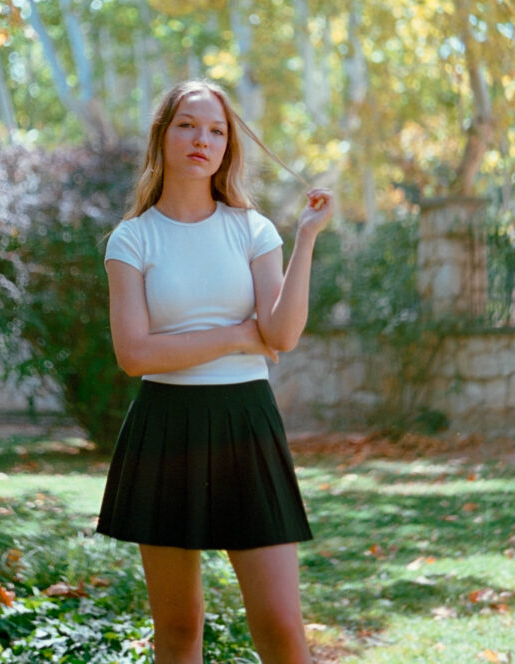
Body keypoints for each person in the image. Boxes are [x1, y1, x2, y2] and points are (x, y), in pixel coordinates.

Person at [96, 78, 333, 664]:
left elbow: (281, 335)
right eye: (187, 126)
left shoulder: (253, 229)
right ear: (162, 136)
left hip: (246, 423)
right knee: (178, 631)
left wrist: (305, 239)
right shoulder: (131, 239)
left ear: (228, 147)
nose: (202, 139)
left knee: (282, 627)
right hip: (165, 429)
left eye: (217, 131)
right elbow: (135, 355)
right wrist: (236, 336)